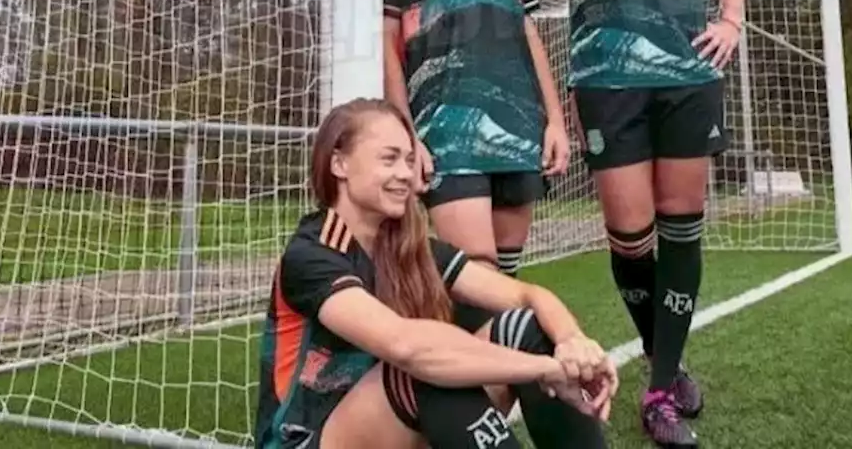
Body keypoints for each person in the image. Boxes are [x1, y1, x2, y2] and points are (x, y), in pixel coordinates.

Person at [479, 0, 746, 449]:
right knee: (630, 236)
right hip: (605, 78)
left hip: (687, 75)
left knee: (681, 223)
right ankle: (667, 360)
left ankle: (659, 389)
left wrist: (730, 20)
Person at [253, 98, 616, 449]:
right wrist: (543, 368)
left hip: (392, 428)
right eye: (389, 159)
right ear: (339, 164)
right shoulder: (312, 253)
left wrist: (572, 343)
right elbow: (406, 347)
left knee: (523, 327)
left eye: (410, 160)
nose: (405, 174)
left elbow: (528, 296)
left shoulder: (410, 249)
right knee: (423, 367)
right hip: (308, 440)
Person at [381, 0, 569, 328]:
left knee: (505, 275)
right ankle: (463, 401)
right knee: (473, 276)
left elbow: (527, 29)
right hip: (446, 128)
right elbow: (386, 39)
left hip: (517, 124)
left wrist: (553, 120)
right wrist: (404, 134)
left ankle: (491, 397)